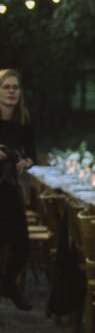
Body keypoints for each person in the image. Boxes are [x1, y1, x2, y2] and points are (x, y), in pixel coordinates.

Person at [0, 69, 36, 310]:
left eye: (15, 87)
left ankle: (7, 284)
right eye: (6, 87)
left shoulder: (23, 120)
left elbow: (32, 154)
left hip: (10, 188)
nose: (12, 91)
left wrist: (26, 162)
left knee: (22, 244)